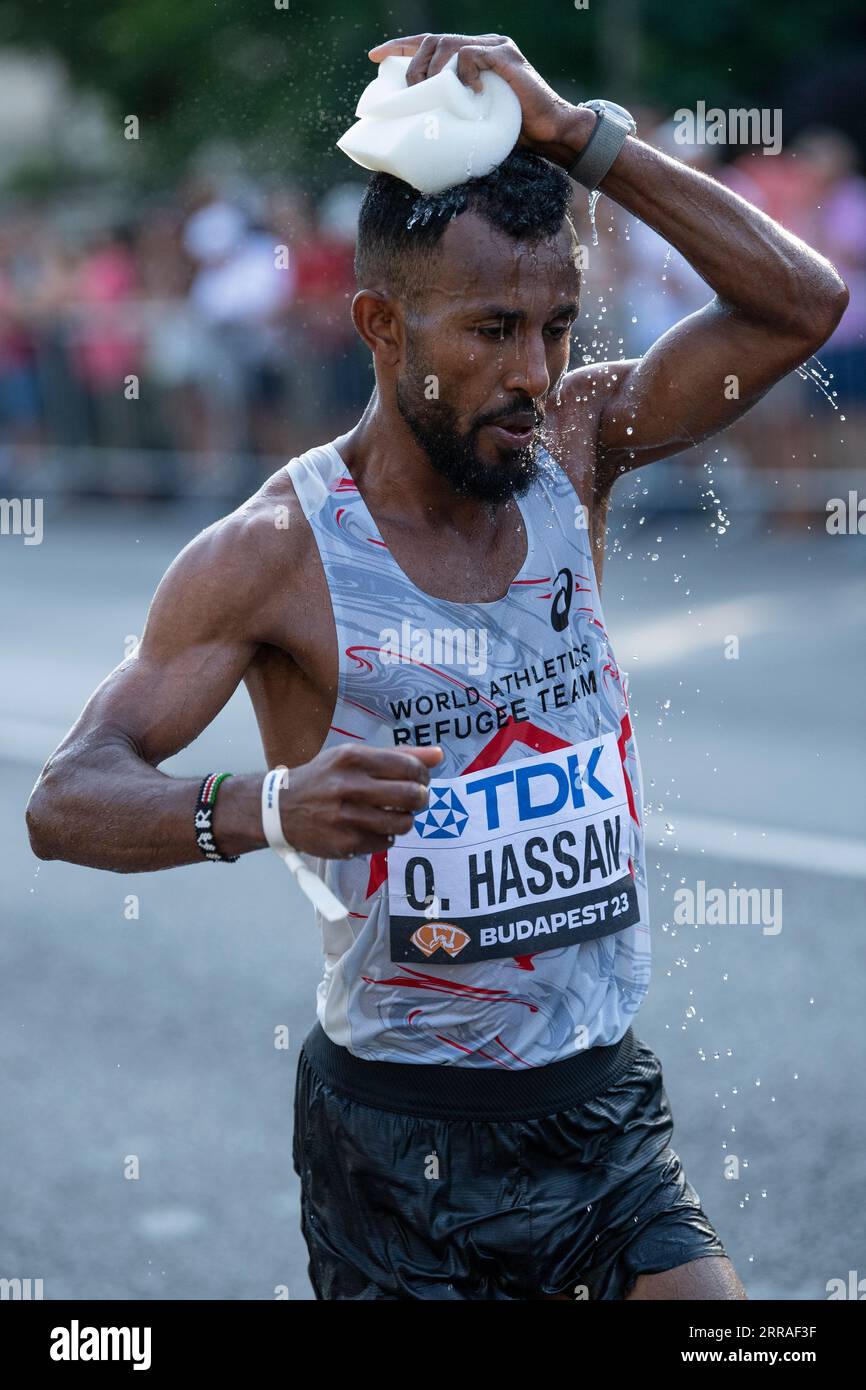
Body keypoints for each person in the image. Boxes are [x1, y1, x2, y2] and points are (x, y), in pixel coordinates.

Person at [26, 32, 847, 1300]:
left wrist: (579, 133)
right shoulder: (273, 553)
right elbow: (65, 797)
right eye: (491, 330)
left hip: (601, 1108)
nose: (532, 372)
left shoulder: (574, 444)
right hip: (395, 1146)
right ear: (377, 322)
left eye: (558, 325)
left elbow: (800, 306)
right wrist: (266, 806)